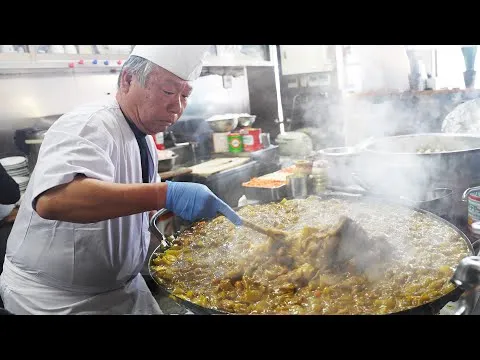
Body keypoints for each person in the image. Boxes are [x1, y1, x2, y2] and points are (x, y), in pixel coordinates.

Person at [0, 45, 242, 315]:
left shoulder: (142, 136)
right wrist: (166, 194)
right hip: (55, 301)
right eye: (168, 92)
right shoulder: (89, 123)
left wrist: (201, 252)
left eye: (185, 95)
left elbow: (131, 213)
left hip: (123, 290)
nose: (177, 107)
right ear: (128, 80)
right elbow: (53, 201)